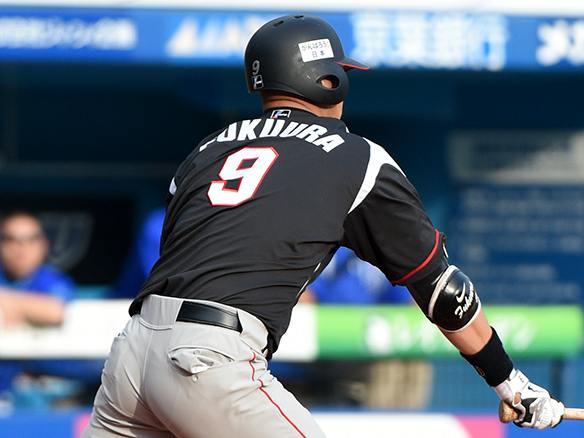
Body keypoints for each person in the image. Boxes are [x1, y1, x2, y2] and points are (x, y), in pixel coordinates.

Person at [81, 14, 563, 437]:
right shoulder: (356, 157)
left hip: (132, 355)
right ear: (327, 79)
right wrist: (511, 383)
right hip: (210, 358)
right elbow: (443, 290)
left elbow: (179, 249)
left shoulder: (206, 150)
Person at [0, 210, 76, 401]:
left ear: (43, 245)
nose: (21, 248)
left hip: (42, 380)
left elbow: (54, 311)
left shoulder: (50, 279)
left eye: (30, 239)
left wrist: (8, 300)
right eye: (11, 239)